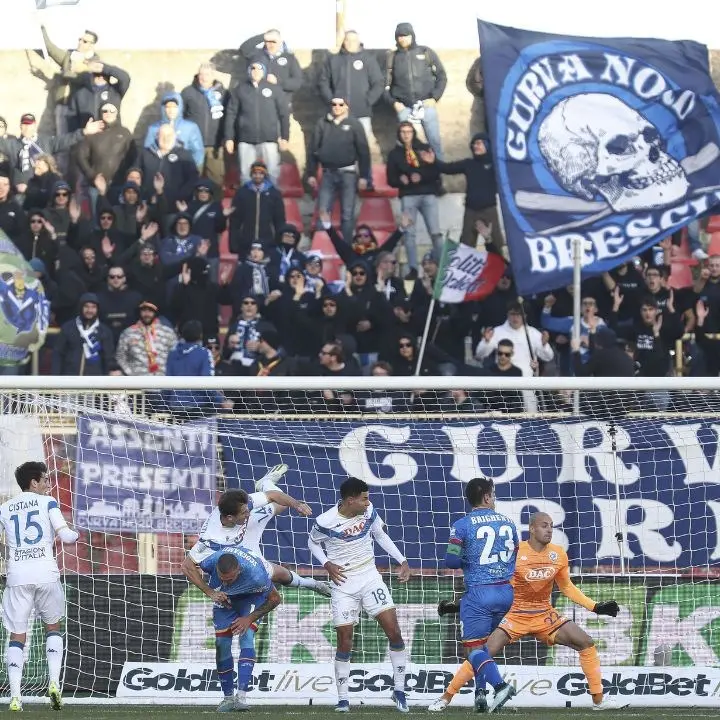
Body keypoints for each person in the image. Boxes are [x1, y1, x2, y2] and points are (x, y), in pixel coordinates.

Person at [430, 512, 623, 712]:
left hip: (544, 614)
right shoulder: (513, 553)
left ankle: (599, 701)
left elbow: (567, 587)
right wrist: (459, 604)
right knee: (481, 653)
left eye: (551, 526)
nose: (549, 530)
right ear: (531, 528)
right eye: (544, 525)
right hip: (514, 614)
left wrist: (595, 607)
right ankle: (446, 697)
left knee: (586, 642)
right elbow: (493, 584)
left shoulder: (558, 554)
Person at [308, 477, 411, 713]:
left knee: (394, 631)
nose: (368, 502)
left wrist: (402, 560)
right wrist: (327, 564)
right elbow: (312, 543)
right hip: (343, 584)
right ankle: (343, 699)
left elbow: (380, 535)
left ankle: (399, 690)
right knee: (345, 640)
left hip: (370, 577)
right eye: (364, 498)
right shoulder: (325, 521)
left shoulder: (369, 510)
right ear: (350, 500)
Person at [0, 461, 80, 712]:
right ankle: (54, 684)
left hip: (17, 576)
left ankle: (15, 697)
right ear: (33, 482)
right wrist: (77, 534)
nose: (48, 483)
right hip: (46, 573)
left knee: (17, 636)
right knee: (53, 628)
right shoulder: (48, 502)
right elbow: (66, 536)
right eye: (45, 479)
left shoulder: (4, 508)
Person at [183, 468, 331, 598]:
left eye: (247, 509)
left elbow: (273, 495)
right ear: (229, 517)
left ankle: (264, 483)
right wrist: (210, 593)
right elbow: (187, 566)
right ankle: (312, 584)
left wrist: (297, 505)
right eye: (244, 512)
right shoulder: (211, 539)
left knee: (281, 504)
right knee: (281, 576)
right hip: (241, 549)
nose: (248, 512)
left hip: (246, 527)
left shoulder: (243, 509)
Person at [443, 476, 518, 714]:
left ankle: (500, 685)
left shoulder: (462, 525)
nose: (494, 498)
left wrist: (469, 560)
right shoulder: (508, 522)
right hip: (506, 592)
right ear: (486, 497)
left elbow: (451, 561)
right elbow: (514, 553)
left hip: (479, 593)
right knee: (484, 649)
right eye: (493, 494)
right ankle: (480, 695)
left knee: (473, 650)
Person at [188, 544, 281, 711]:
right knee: (221, 645)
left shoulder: (257, 575)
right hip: (225, 600)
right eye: (222, 578)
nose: (225, 582)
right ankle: (228, 698)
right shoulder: (211, 561)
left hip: (251, 598)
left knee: (246, 636)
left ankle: (241, 697)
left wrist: (249, 618)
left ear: (239, 570)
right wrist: (210, 592)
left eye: (229, 579)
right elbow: (186, 566)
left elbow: (275, 599)